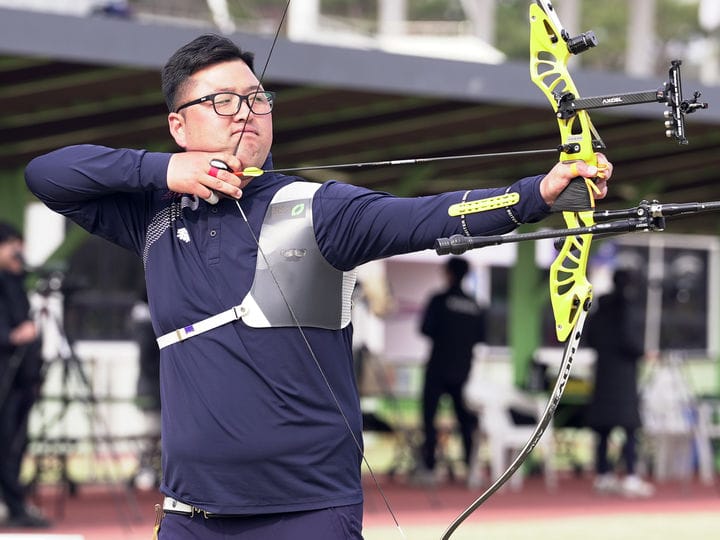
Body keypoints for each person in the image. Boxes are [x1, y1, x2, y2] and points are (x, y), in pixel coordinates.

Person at [24, 33, 612, 539]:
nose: (246, 112)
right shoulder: (151, 213)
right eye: (222, 101)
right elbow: (47, 174)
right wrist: (164, 170)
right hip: (191, 512)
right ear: (179, 125)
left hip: (305, 511)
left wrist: (539, 193)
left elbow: (428, 217)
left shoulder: (317, 208)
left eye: (257, 99)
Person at [584, 269, 655, 498]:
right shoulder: (627, 309)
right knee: (630, 429)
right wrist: (643, 353)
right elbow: (631, 342)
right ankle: (632, 476)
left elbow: (590, 338)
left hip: (603, 374)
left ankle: (603, 475)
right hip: (624, 377)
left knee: (603, 430)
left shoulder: (599, 310)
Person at [417, 257, 485, 483]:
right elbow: (480, 337)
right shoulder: (475, 305)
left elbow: (426, 328)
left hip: (437, 368)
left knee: (429, 419)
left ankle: (429, 468)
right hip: (463, 370)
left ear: (448, 273)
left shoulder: (439, 300)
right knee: (465, 421)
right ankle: (471, 470)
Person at [0, 222, 50, 528]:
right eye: (13, 245)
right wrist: (11, 336)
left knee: (16, 443)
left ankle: (15, 502)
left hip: (21, 380)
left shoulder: (16, 281)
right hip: (4, 376)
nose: (19, 253)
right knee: (5, 442)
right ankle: (15, 505)